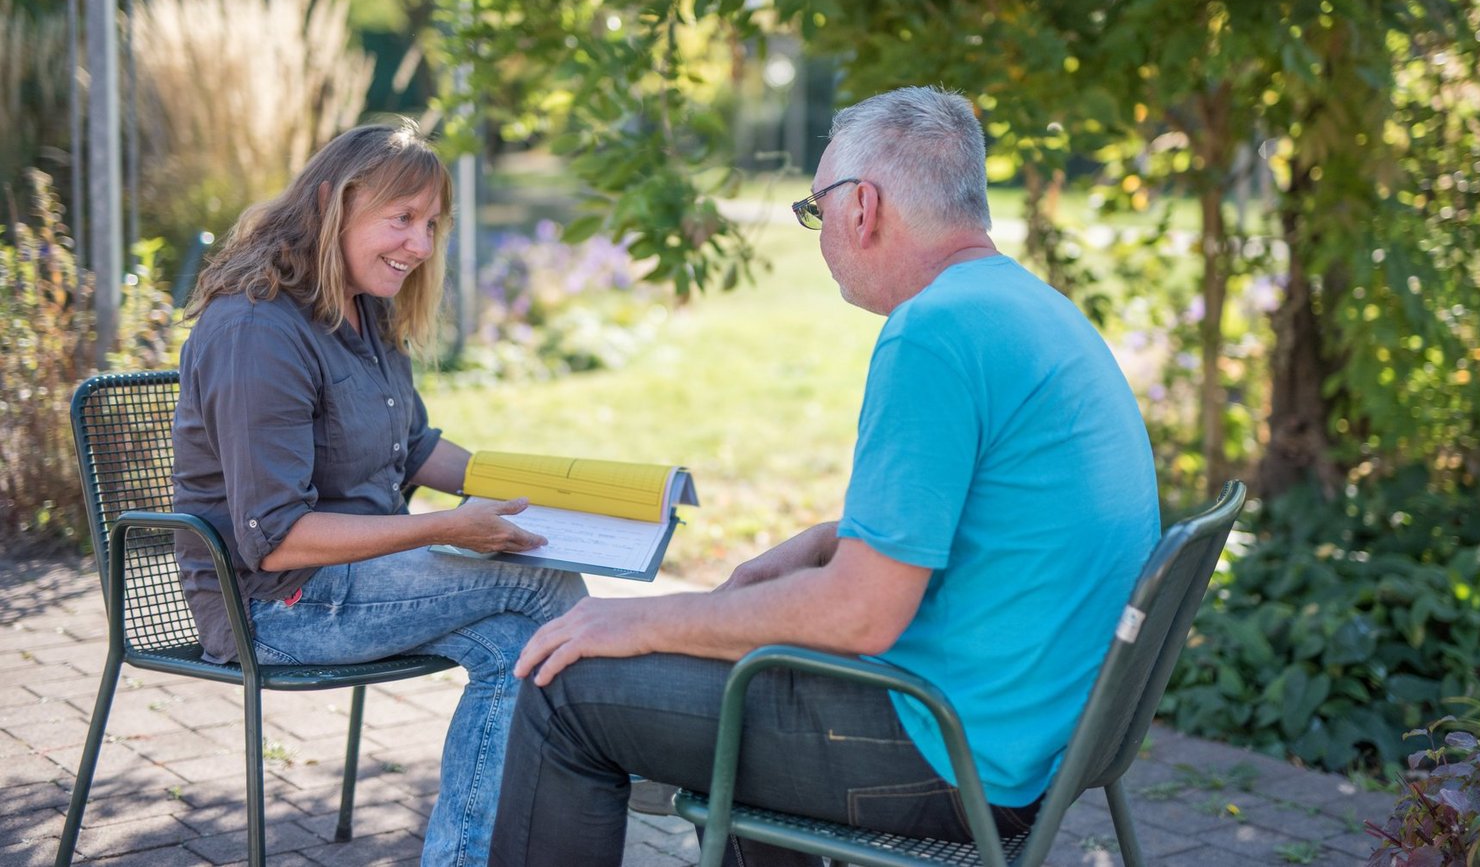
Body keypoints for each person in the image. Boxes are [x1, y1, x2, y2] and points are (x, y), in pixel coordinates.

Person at [487, 85, 1161, 867]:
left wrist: (640, 619)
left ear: (862, 208)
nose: (818, 232)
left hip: (954, 752)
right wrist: (826, 538)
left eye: (815, 210)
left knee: (560, 689)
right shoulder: (1026, 306)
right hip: (1037, 738)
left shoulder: (934, 333)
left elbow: (861, 614)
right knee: (741, 671)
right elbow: (1005, 511)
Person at [171, 122, 586, 867]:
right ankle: (635, 758)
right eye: (402, 219)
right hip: (275, 604)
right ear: (334, 202)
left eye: (430, 224)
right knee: (544, 584)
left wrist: (557, 486)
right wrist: (447, 529)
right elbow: (278, 538)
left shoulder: (362, 308)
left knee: (524, 651)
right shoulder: (258, 326)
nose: (421, 245)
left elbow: (417, 448)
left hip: (355, 585)